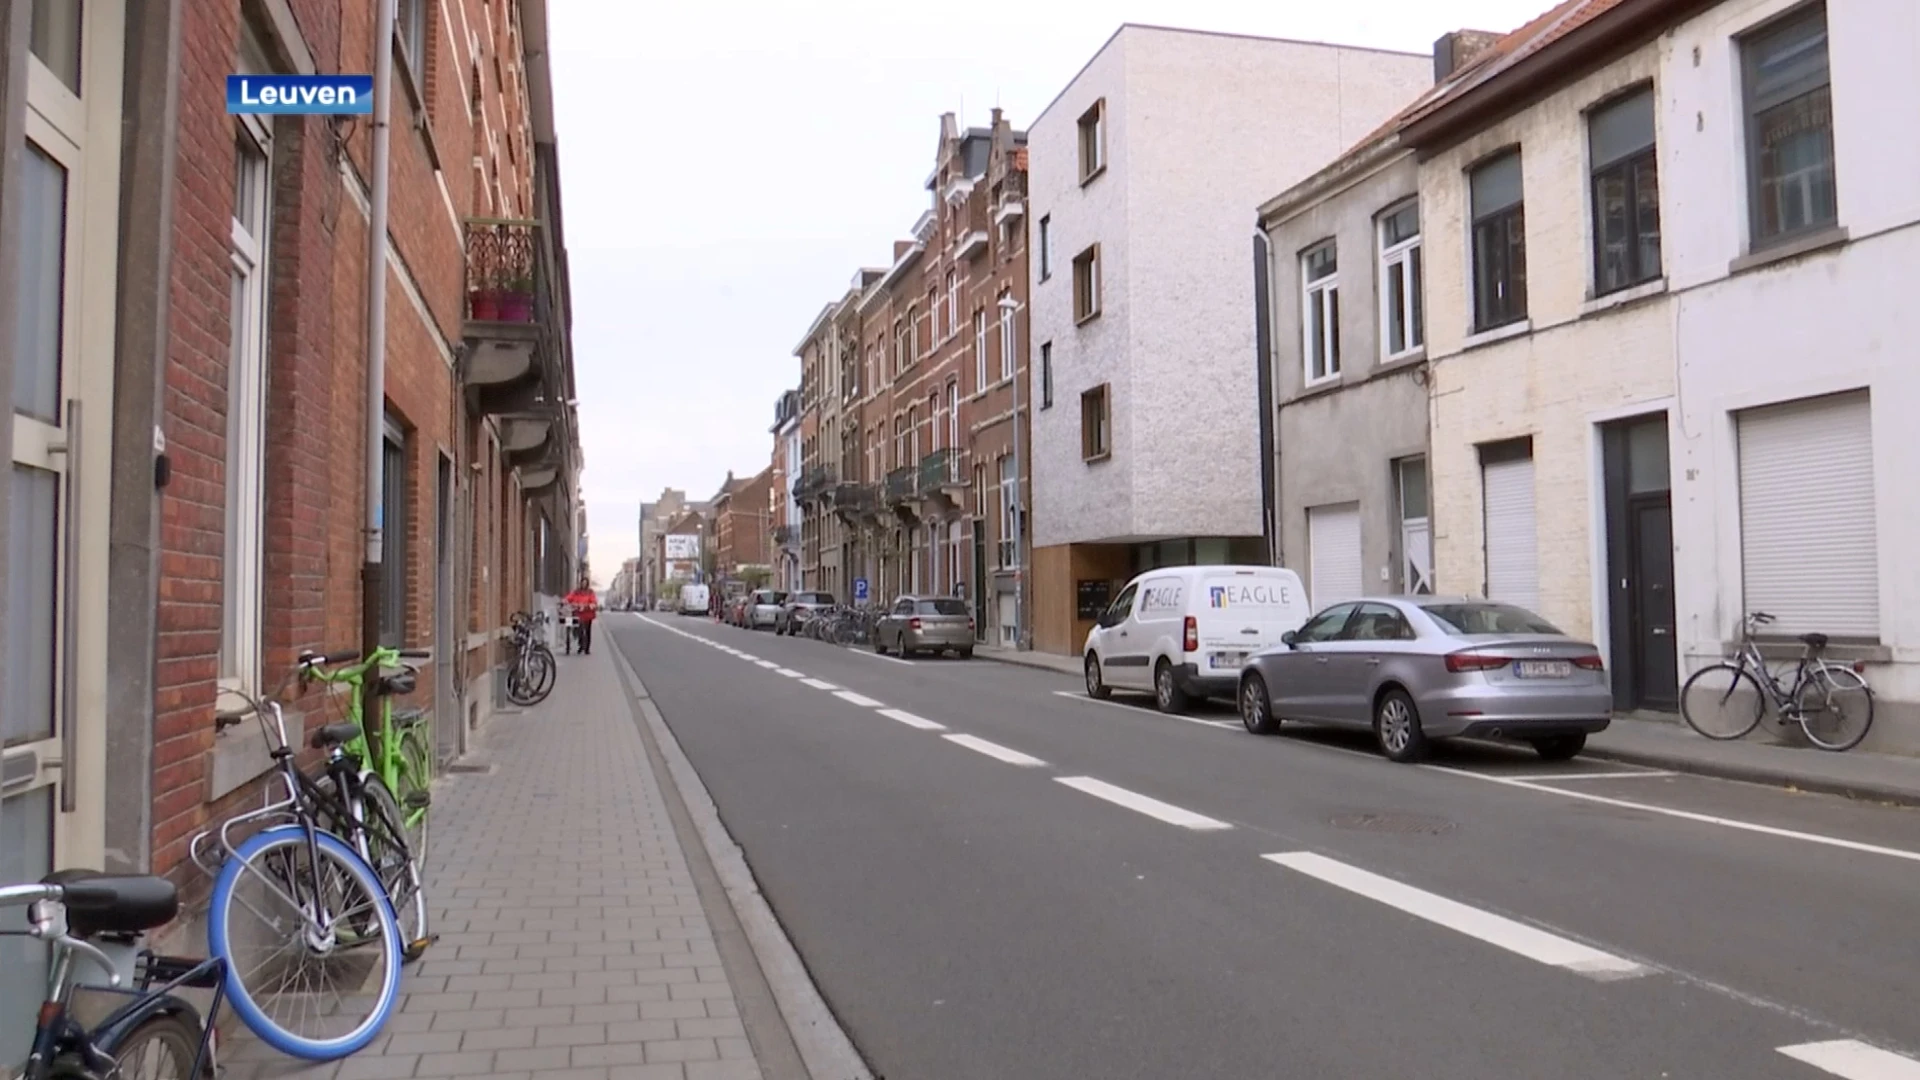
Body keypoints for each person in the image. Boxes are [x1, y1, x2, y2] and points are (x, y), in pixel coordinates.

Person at [564, 578, 599, 655]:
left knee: (587, 631)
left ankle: (587, 648)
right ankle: (581, 645)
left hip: (588, 615)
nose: (584, 584)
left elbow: (593, 601)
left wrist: (589, 605)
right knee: (579, 630)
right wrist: (566, 601)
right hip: (578, 615)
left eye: (585, 583)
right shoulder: (576, 592)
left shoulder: (590, 592)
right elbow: (570, 597)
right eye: (583, 583)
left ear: (587, 584)